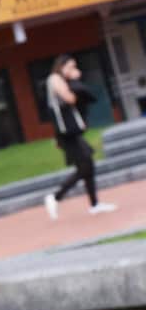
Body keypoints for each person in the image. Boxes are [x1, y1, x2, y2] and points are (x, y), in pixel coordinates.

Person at [44, 54, 116, 219]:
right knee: (84, 167)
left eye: (74, 67)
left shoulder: (64, 80)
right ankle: (54, 197)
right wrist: (73, 81)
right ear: (61, 66)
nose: (73, 70)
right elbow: (69, 98)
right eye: (70, 67)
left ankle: (94, 204)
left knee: (88, 165)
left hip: (72, 132)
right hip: (66, 134)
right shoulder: (54, 78)